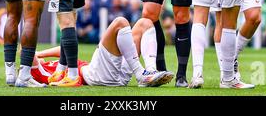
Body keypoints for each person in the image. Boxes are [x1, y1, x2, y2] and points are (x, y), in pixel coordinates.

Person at [31, 17, 174, 87]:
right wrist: (34, 55)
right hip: (95, 75)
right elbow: (28, 55)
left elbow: (62, 50)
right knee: (120, 22)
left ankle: (150, 72)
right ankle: (141, 75)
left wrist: (40, 53)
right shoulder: (38, 73)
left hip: (108, 73)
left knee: (145, 23)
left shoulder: (52, 65)